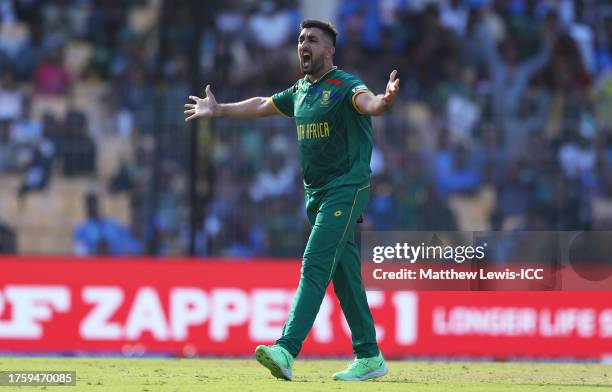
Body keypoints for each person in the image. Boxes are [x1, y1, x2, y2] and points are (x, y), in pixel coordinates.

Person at [185, 19, 399, 382]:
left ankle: (285, 348)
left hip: (347, 189)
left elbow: (367, 103)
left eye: (312, 40)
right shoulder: (301, 90)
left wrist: (383, 101)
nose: (304, 45)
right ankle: (369, 355)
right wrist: (219, 110)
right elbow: (262, 105)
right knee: (346, 276)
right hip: (316, 195)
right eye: (301, 40)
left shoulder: (345, 84)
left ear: (329, 51)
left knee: (314, 264)